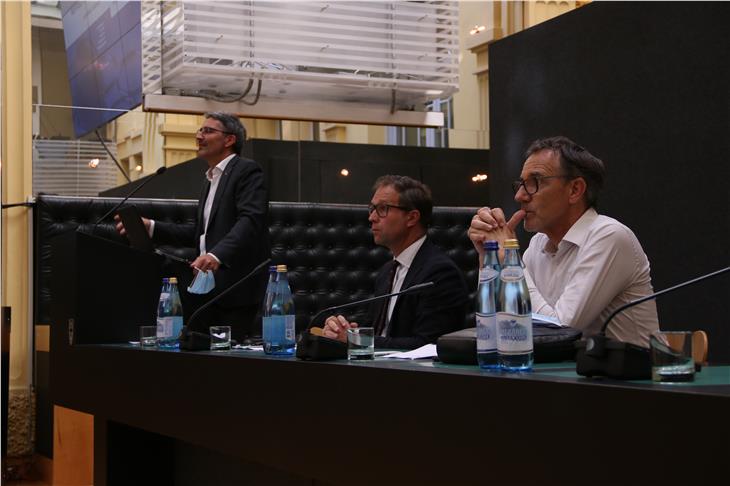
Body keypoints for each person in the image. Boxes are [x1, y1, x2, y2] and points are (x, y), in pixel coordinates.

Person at [468, 136, 659, 348]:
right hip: (568, 375)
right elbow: (494, 326)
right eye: (521, 184)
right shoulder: (538, 244)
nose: (520, 196)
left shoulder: (609, 236)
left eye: (535, 182)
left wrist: (509, 260)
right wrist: (490, 257)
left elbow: (561, 331)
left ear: (575, 190)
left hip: (632, 379)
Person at [116, 112, 270, 341]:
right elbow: (200, 236)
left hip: (234, 289)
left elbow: (250, 221)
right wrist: (151, 227)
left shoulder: (246, 170)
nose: (199, 136)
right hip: (205, 290)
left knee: (226, 362)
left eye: (208, 131)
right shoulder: (210, 180)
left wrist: (216, 256)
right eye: (199, 130)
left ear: (229, 140)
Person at [323, 175, 469, 350]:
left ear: (412, 217)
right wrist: (344, 331)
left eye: (382, 209)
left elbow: (428, 344)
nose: (372, 217)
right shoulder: (387, 271)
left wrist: (355, 340)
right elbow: (376, 332)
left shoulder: (440, 273)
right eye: (372, 209)